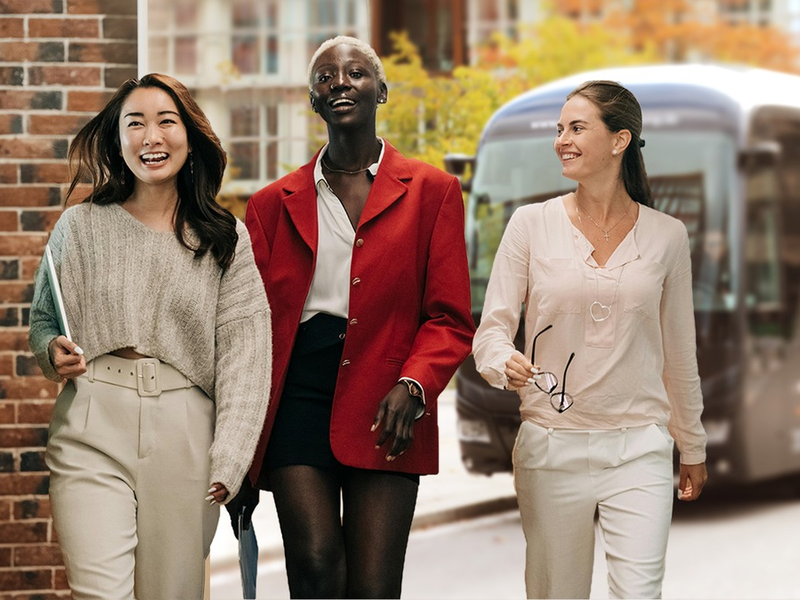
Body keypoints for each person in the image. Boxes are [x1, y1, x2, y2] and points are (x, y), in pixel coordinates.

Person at [245, 36, 474, 599]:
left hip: (389, 399)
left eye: (354, 73)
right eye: (325, 77)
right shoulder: (270, 205)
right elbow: (244, 325)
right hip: (297, 394)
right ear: (314, 102)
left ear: (381, 90)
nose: (340, 82)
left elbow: (450, 317)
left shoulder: (433, 193)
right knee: (316, 566)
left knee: (373, 587)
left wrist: (415, 383)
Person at [27, 73, 272, 599]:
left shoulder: (224, 239)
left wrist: (232, 454)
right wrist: (54, 351)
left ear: (190, 134)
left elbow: (246, 356)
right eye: (133, 124)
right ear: (118, 140)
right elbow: (45, 319)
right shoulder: (79, 226)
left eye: (166, 121)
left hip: (186, 434)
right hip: (92, 420)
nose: (150, 137)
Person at [472, 80, 708, 599]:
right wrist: (501, 361)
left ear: (620, 140)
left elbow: (678, 352)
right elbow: (491, 331)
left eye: (577, 128)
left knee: (640, 593)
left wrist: (691, 443)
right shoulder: (529, 225)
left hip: (640, 450)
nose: (562, 140)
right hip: (551, 449)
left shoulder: (669, 236)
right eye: (559, 130)